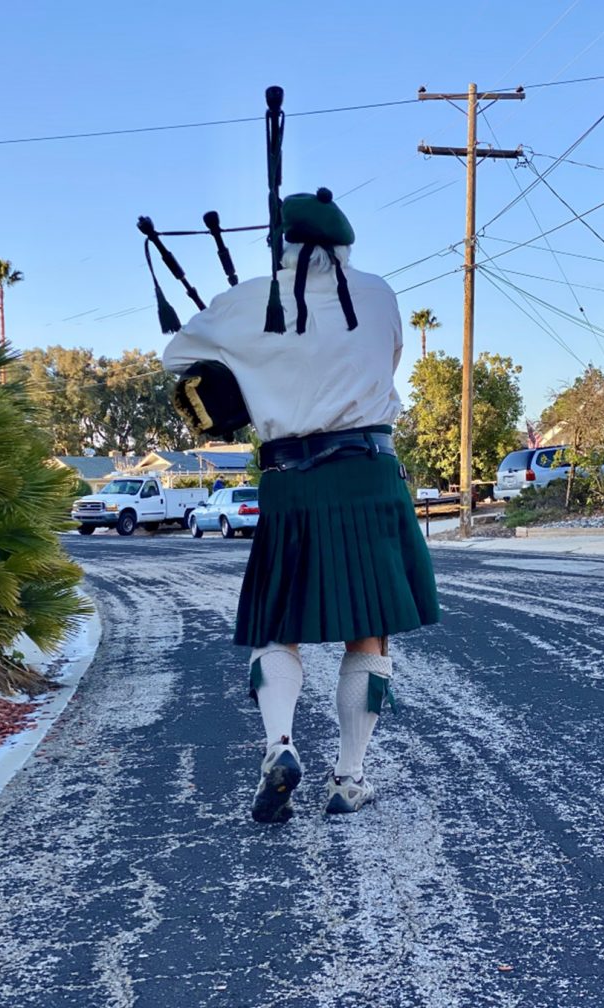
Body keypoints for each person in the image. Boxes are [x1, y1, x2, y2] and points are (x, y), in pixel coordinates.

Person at [163, 188, 440, 823]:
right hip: (369, 473)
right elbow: (387, 361)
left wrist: (250, 361)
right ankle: (348, 777)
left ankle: (279, 747)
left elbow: (178, 357)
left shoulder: (247, 302)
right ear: (344, 245)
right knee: (368, 628)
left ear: (281, 244)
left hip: (290, 479)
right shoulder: (379, 295)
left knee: (275, 625)